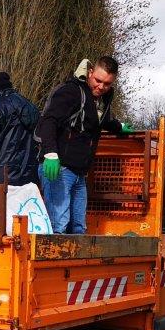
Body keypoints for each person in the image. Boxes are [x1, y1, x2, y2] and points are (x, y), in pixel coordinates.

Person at [35, 55, 134, 233]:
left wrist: (118, 126)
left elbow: (98, 120)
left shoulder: (100, 99)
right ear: (90, 73)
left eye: (107, 84)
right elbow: (48, 120)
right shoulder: (71, 92)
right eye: (98, 80)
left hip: (79, 173)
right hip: (59, 169)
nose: (101, 87)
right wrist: (50, 153)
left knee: (78, 228)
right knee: (59, 226)